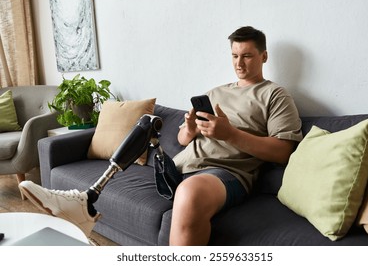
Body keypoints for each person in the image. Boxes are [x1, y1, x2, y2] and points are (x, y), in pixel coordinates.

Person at [19, 26, 303, 246]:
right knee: (147, 122)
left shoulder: (274, 95)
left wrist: (229, 134)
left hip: (226, 173)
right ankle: (85, 198)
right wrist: (189, 130)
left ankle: (84, 201)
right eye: (234, 56)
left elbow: (283, 152)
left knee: (189, 194)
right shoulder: (216, 92)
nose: (239, 63)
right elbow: (181, 140)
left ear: (264, 56)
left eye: (247, 56)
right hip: (178, 167)